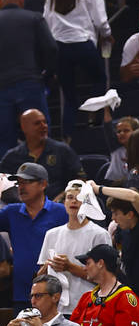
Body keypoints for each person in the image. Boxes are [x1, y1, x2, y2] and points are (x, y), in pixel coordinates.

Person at [42, 0, 109, 137]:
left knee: (69, 97)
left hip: (60, 48)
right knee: (99, 80)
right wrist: (108, 36)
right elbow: (101, 20)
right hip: (82, 44)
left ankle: (68, 138)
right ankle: (93, 118)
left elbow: (46, 24)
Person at [37, 183, 111, 314]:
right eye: (70, 197)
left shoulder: (99, 234)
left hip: (89, 308)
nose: (74, 201)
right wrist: (48, 268)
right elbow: (40, 278)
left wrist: (69, 267)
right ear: (64, 202)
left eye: (80, 198)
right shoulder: (52, 234)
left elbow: (105, 278)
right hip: (57, 309)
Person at [0, 162, 66, 308]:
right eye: (19, 183)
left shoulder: (61, 212)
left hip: (56, 295)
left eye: (27, 182)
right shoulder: (11, 212)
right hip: (22, 294)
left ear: (43, 184)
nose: (21, 187)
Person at [0, 0, 55, 153]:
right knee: (39, 135)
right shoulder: (34, 18)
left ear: (1, 1)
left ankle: (5, 176)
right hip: (30, 83)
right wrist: (46, 75)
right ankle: (44, 174)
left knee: (4, 140)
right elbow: (51, 49)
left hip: (1, 88)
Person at [1, 109, 80, 201]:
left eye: (45, 122)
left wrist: (62, 197)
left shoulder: (63, 150)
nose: (44, 126)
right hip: (21, 208)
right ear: (24, 127)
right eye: (37, 123)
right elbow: (2, 183)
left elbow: (80, 180)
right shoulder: (12, 157)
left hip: (59, 207)